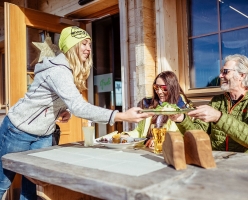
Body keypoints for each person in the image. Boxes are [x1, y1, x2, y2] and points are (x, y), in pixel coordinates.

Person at [0, 26, 152, 200]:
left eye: (89, 44)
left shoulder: (68, 71)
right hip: (17, 131)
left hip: (43, 135)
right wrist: (120, 116)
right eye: (83, 44)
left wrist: (63, 110)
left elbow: (58, 99)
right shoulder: (58, 71)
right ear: (71, 46)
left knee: (33, 189)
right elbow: (80, 107)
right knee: (2, 183)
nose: (88, 48)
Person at [170, 54, 248, 154]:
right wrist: (181, 119)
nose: (220, 76)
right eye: (221, 72)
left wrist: (218, 117)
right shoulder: (217, 101)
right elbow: (198, 133)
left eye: (225, 72)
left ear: (241, 75)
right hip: (219, 160)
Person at [126, 71, 192, 147]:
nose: (159, 92)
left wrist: (160, 140)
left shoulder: (182, 109)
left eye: (164, 88)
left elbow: (181, 136)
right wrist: (127, 136)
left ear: (172, 88)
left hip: (166, 153)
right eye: (156, 87)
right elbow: (139, 131)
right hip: (146, 151)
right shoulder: (150, 106)